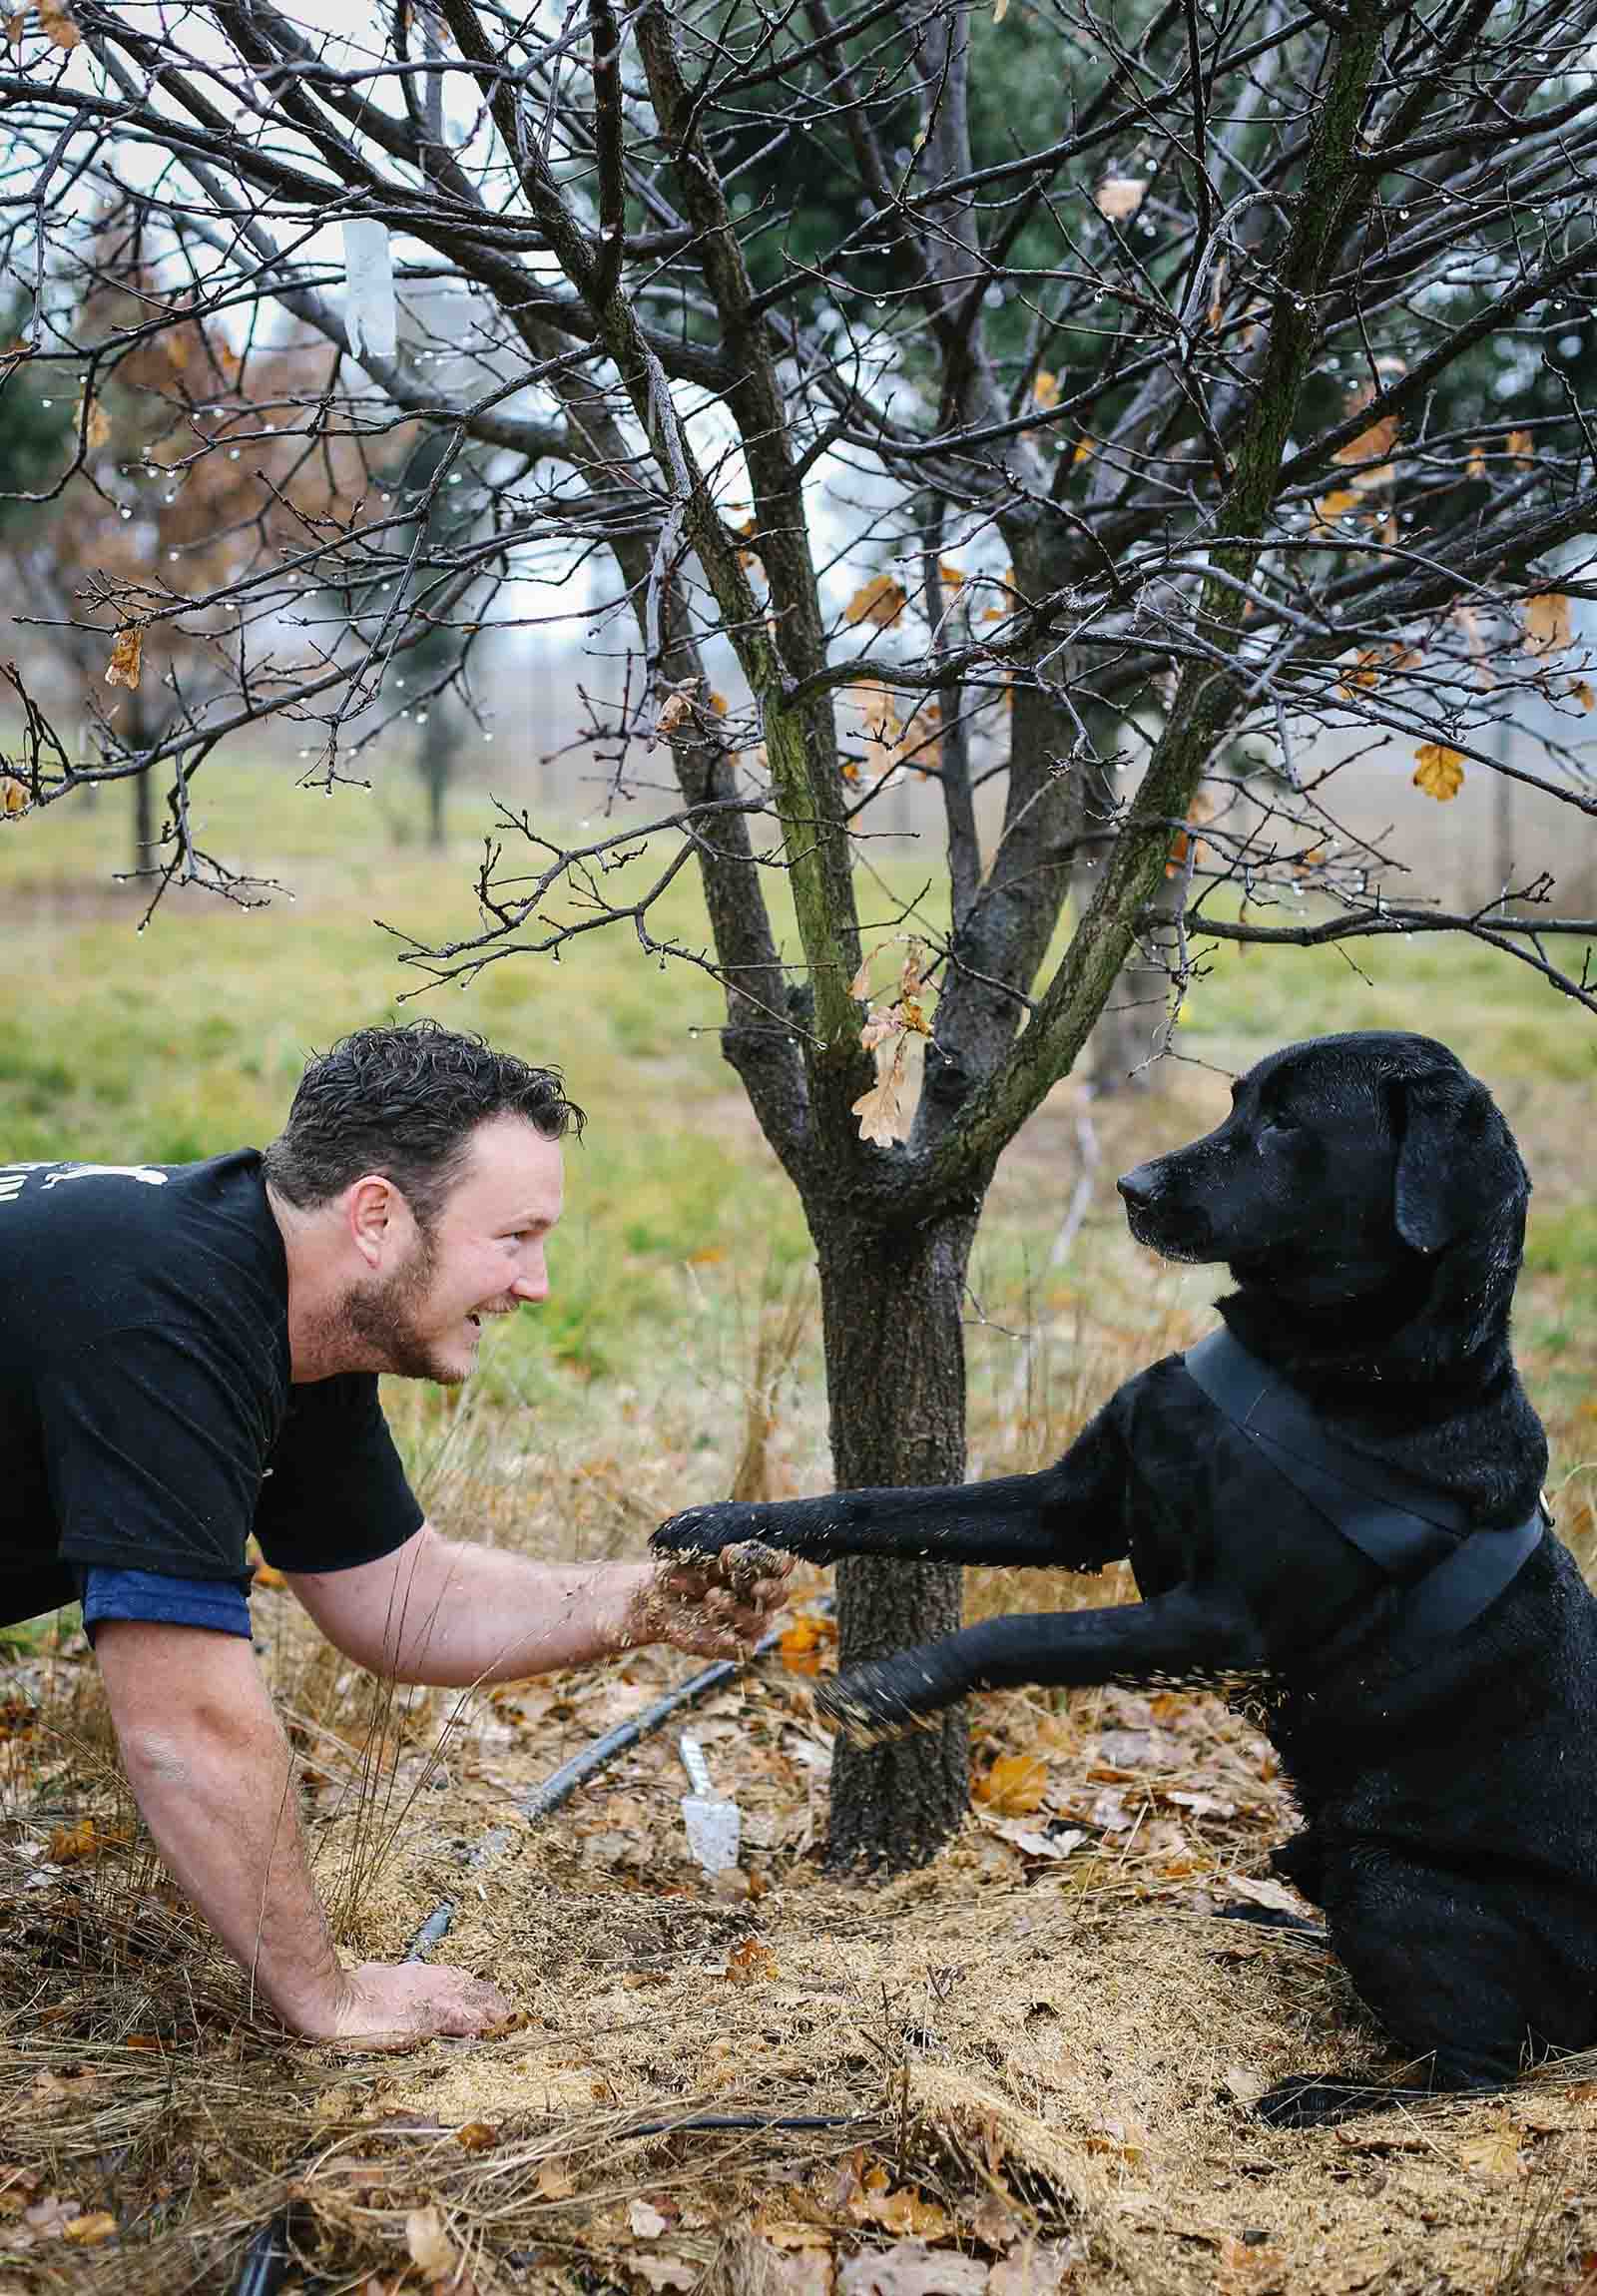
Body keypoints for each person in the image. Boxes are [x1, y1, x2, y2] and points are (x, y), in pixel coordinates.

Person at [0, 1022, 789, 2044]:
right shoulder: (164, 1315)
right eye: (513, 1236)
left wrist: (639, 1602)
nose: (536, 1282)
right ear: (376, 1214)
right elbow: (182, 1726)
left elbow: (403, 1597)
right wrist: (329, 1997)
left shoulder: (284, 1303)